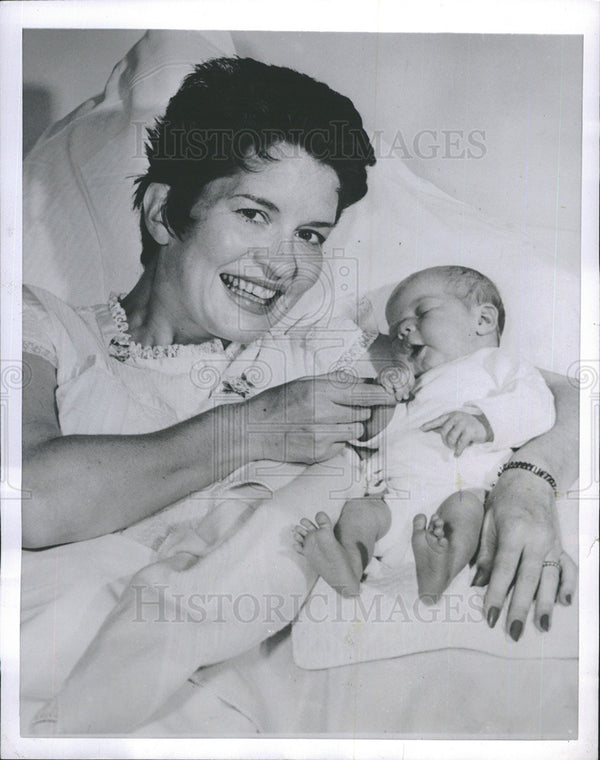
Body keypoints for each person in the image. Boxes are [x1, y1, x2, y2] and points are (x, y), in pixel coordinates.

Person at [22, 57, 578, 734]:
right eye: (255, 214)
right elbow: (30, 499)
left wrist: (530, 479)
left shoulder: (323, 339)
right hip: (107, 664)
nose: (285, 265)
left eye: (309, 235)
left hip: (305, 672)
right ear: (166, 213)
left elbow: (533, 384)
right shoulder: (44, 328)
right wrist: (250, 430)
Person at [294, 266, 577, 629]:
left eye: (421, 314)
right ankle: (347, 562)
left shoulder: (499, 366)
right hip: (398, 495)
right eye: (397, 329)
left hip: (463, 488)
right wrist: (383, 405)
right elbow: (389, 434)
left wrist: (486, 422)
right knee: (359, 513)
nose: (404, 331)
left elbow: (537, 407)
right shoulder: (418, 386)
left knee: (464, 512)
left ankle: (440, 568)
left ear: (483, 320)